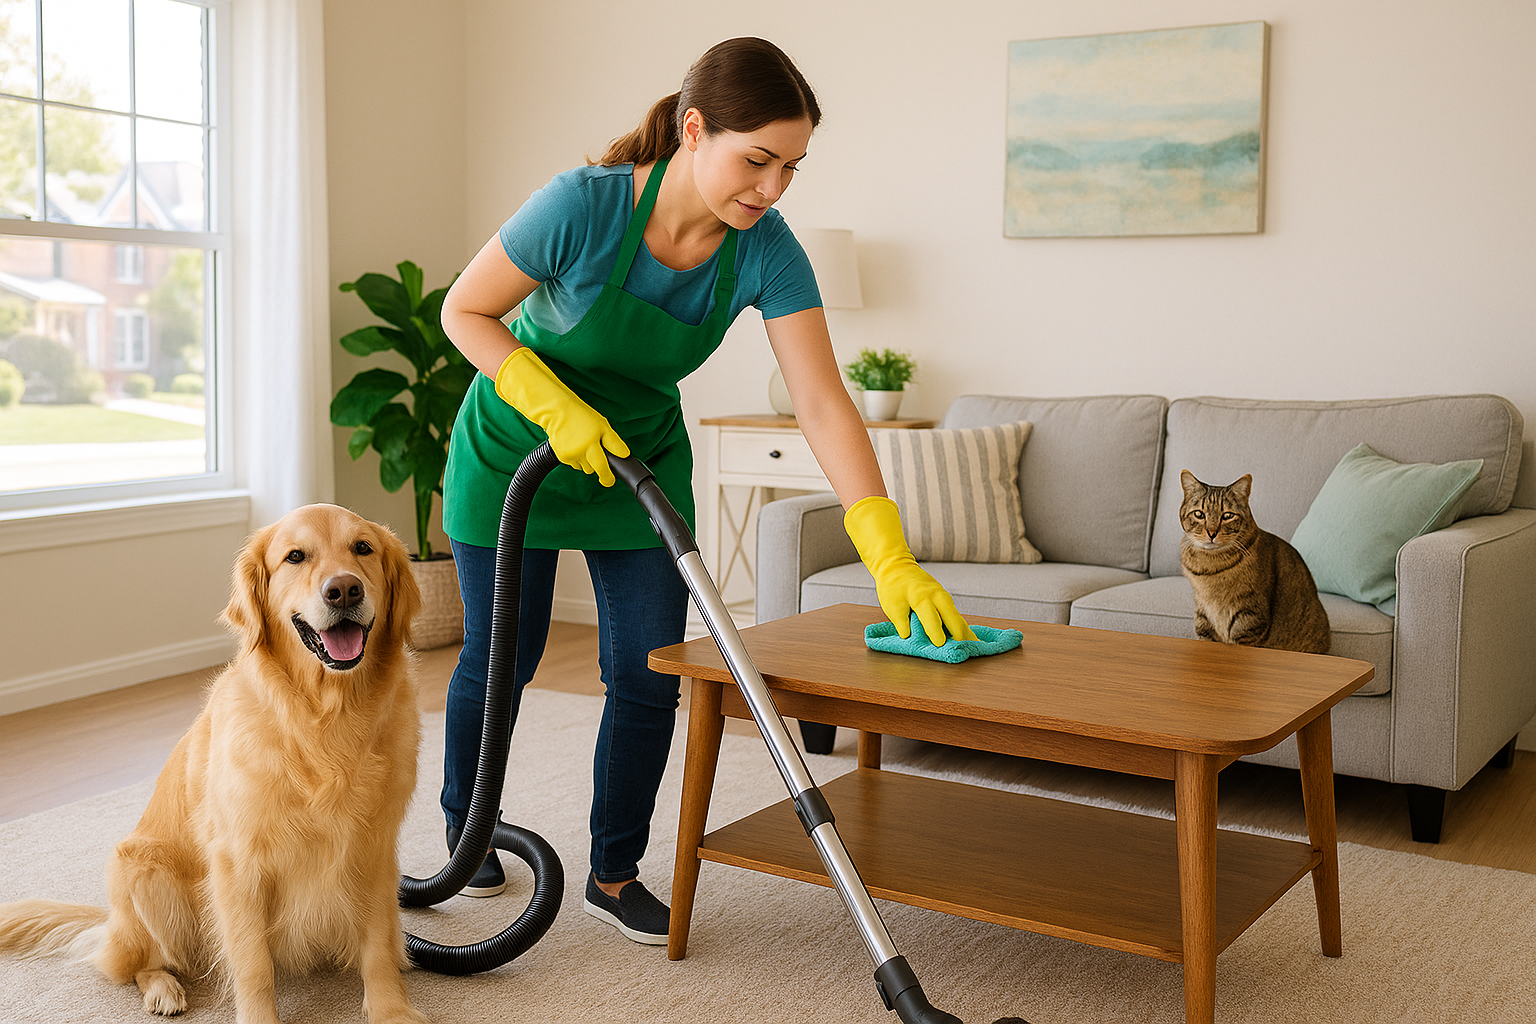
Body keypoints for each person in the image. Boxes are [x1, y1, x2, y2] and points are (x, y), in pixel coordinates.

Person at [437, 36, 975, 946]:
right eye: (757, 159)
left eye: (792, 168)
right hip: (514, 456)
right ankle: (467, 832)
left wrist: (889, 550)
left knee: (647, 675)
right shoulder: (583, 206)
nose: (771, 189)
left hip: (637, 468)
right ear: (694, 129)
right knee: (503, 662)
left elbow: (820, 401)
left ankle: (614, 874)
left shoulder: (765, 250)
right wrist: (550, 404)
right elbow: (466, 308)